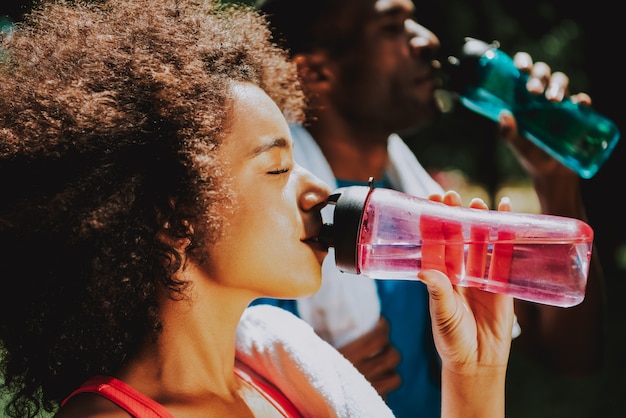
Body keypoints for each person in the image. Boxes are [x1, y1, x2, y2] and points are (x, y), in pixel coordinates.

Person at [0, 0, 517, 417]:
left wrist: (475, 377)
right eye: (277, 168)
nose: (319, 191)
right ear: (174, 216)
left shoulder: (282, 376)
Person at [252, 0, 606, 417]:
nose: (427, 39)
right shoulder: (272, 229)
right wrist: (303, 386)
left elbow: (571, 357)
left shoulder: (427, 205)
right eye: (392, 27)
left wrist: (555, 179)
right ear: (315, 72)